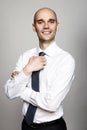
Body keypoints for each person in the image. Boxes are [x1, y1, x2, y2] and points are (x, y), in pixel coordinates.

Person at [5, 7, 75, 130]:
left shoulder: (66, 60)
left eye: (51, 21)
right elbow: (10, 92)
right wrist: (27, 69)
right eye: (40, 22)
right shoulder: (25, 57)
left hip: (52, 127)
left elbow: (51, 104)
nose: (46, 26)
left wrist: (21, 87)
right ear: (34, 27)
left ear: (57, 26)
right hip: (26, 125)